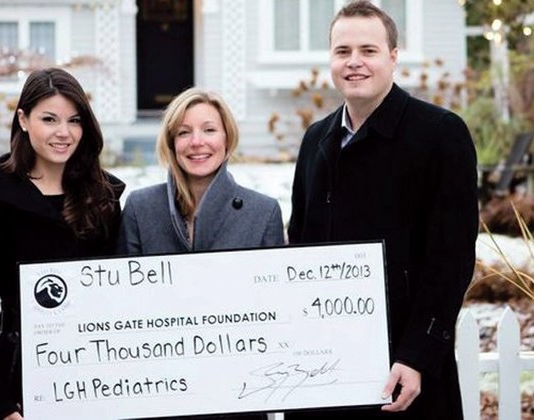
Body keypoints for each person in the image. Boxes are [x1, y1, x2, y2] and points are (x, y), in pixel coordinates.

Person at [286, 1, 478, 419]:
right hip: (324, 368)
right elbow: (298, 246)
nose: (354, 62)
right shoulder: (314, 140)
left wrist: (417, 355)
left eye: (368, 51)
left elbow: (452, 260)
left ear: (393, 56)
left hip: (406, 373)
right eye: (342, 52)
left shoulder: (440, 135)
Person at [0, 68, 125, 420]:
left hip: (96, 381)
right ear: (23, 119)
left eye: (74, 120)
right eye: (49, 119)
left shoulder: (102, 197)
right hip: (19, 386)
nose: (64, 133)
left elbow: (118, 299)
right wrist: (1, 406)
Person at [118, 87, 284, 419]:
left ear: (227, 138)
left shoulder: (262, 212)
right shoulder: (140, 207)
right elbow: (122, 308)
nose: (197, 142)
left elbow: (277, 314)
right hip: (158, 395)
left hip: (239, 397)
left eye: (209, 130)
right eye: (184, 132)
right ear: (170, 143)